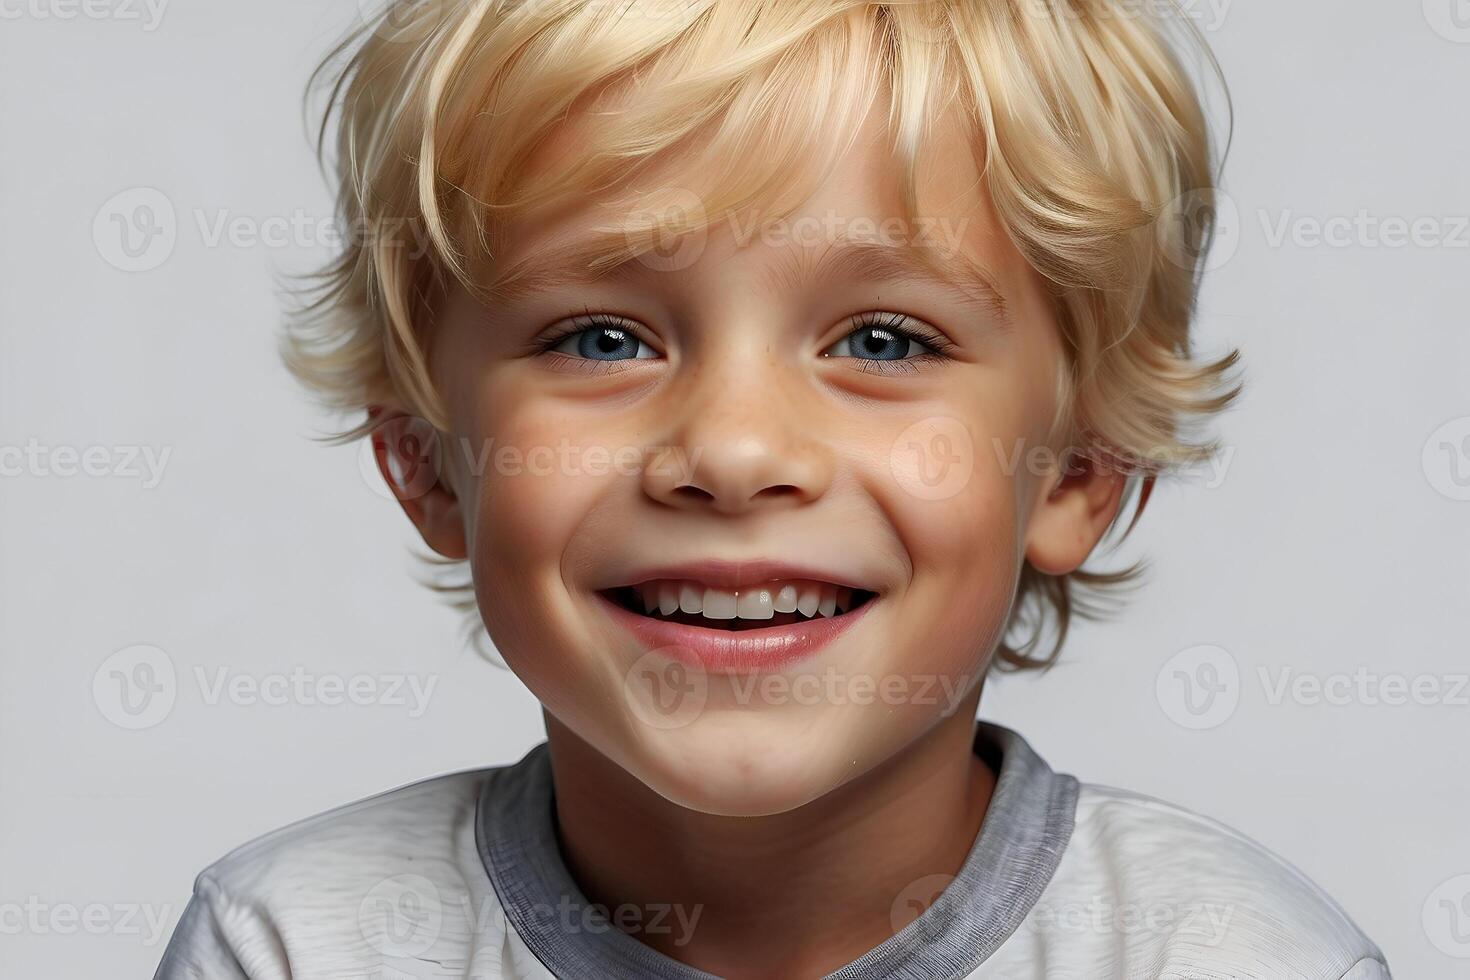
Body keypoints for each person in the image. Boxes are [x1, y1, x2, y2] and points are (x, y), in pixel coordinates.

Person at [154, 1, 1388, 976]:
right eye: (600, 336)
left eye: (886, 340)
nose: (736, 453)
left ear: (1078, 471)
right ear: (423, 457)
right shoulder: (293, 945)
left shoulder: (1234, 959)